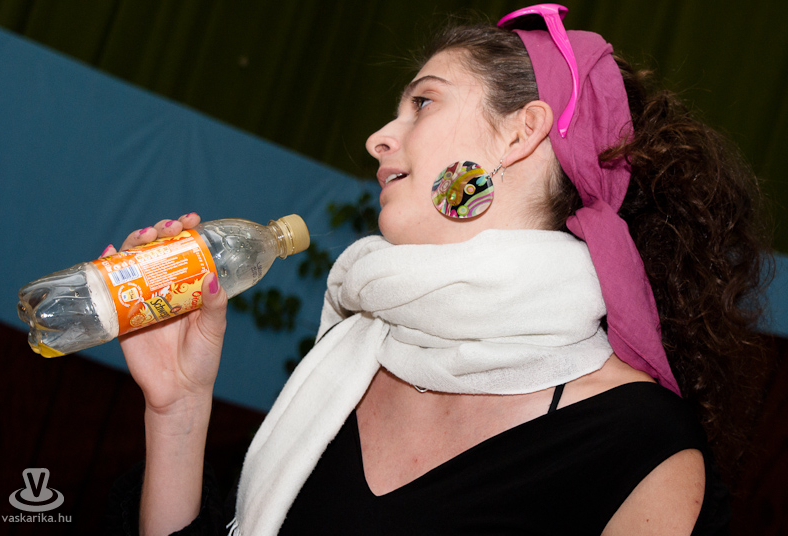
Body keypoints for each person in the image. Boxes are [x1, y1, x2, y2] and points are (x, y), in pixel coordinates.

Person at [106, 4, 771, 535]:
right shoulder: (350, 356)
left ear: (522, 134)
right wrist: (177, 408)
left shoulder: (640, 444)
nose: (378, 139)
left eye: (422, 103)